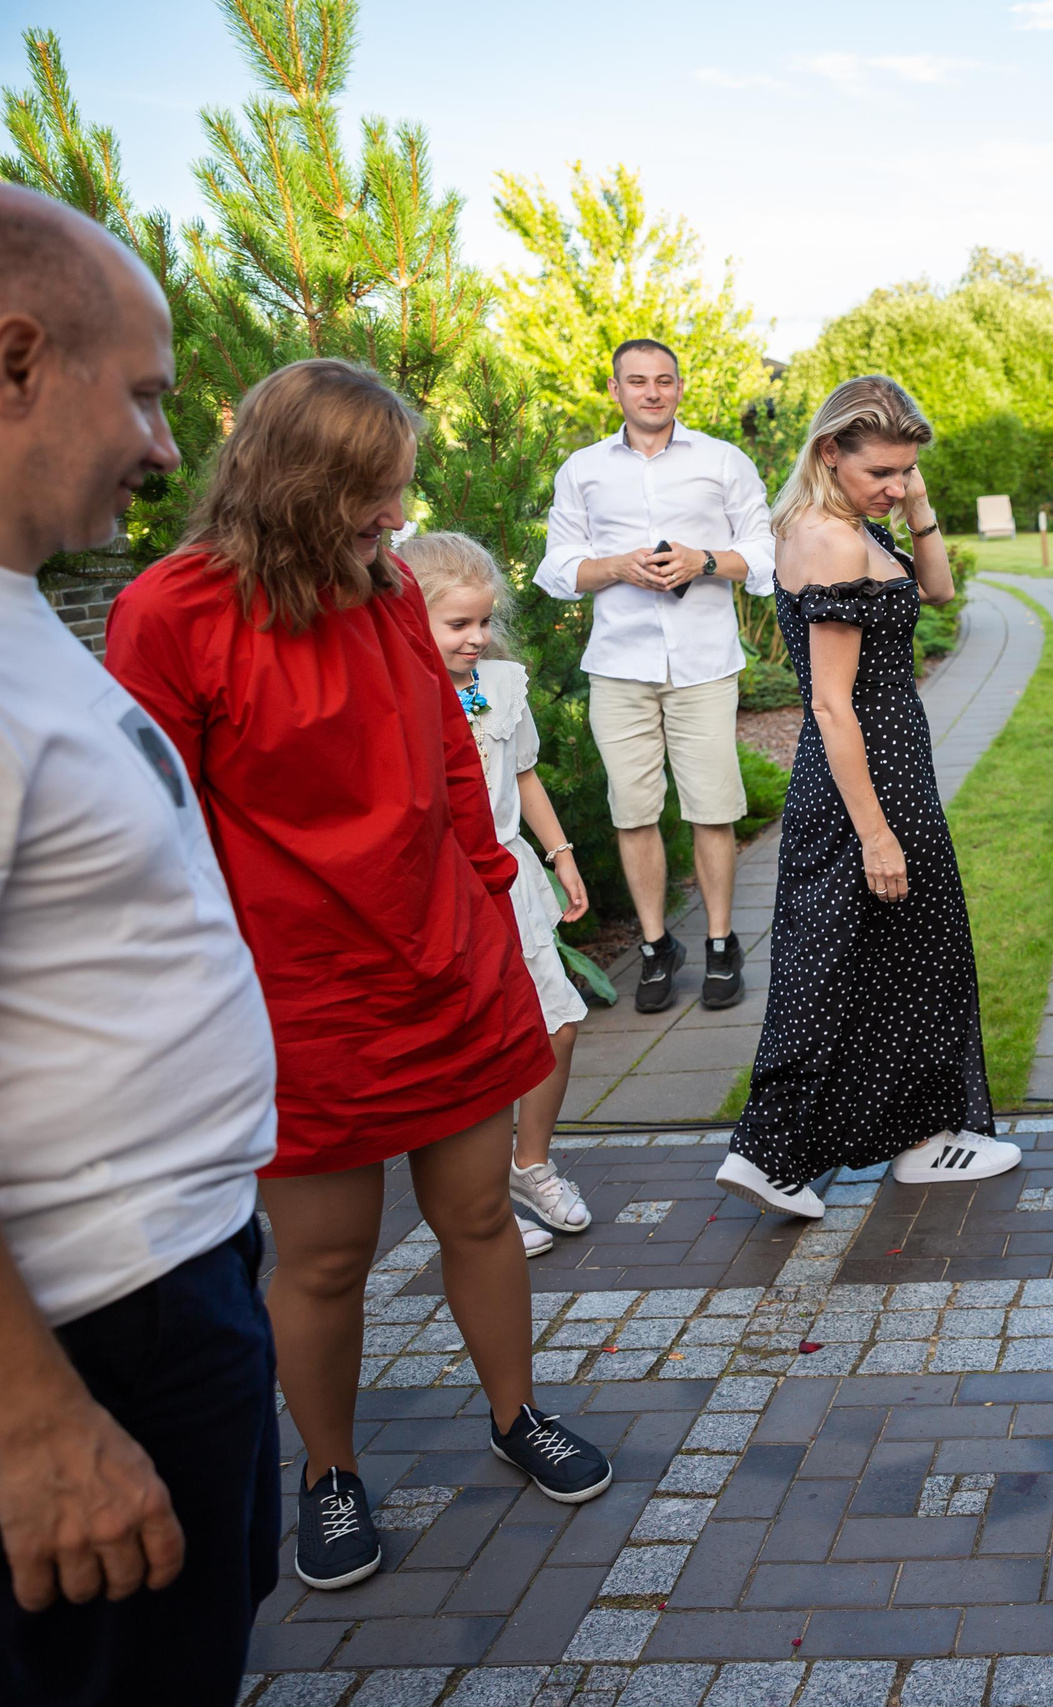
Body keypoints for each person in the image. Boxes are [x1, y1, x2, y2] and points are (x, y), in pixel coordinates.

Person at [107, 358, 613, 1598]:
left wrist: (490, 898)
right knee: (325, 1261)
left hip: (445, 963)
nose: (400, 516)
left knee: (481, 1214)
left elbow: (447, 747)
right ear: (300, 484)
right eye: (377, 491)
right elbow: (147, 823)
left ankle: (517, 1415)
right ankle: (330, 1476)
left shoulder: (385, 588)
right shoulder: (170, 612)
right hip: (299, 999)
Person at [0, 187, 279, 1707]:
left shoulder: (23, 610)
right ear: (18, 358)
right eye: (151, 395)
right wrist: (31, 1415)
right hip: (87, 1319)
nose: (168, 447)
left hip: (177, 1262)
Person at [716, 375, 1018, 1217]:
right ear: (829, 451)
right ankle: (770, 1152)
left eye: (906, 469)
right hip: (864, 774)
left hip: (888, 765)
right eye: (882, 470)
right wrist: (877, 834)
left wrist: (916, 505)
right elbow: (827, 700)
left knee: (907, 957)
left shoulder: (851, 522)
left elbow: (940, 590)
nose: (896, 483)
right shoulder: (828, 538)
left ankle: (921, 1138)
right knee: (832, 963)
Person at [533, 338, 776, 1015]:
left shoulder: (722, 461)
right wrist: (615, 566)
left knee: (713, 806)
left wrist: (703, 560)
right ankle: (653, 943)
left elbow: (765, 553)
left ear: (678, 387)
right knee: (633, 811)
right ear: (615, 390)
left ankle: (722, 943)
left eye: (663, 380)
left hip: (703, 662)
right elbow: (556, 570)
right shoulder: (582, 470)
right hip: (619, 665)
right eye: (636, 381)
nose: (651, 392)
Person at [410, 532, 595, 1255]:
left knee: (559, 1022)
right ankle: (479, 1201)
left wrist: (561, 854)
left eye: (484, 622)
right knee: (473, 1046)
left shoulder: (504, 684)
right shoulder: (408, 696)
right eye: (458, 624)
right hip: (450, 888)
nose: (477, 637)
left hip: (514, 877)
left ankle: (530, 1162)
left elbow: (522, 777)